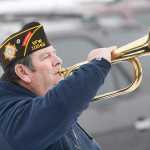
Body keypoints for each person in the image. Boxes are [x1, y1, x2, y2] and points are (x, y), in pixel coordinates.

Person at [0, 22, 115, 150]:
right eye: (46, 57)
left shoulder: (40, 102)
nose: (58, 60)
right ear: (23, 72)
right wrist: (98, 65)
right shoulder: (9, 115)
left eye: (54, 53)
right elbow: (60, 105)